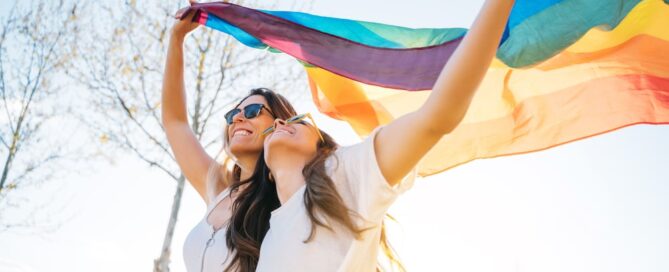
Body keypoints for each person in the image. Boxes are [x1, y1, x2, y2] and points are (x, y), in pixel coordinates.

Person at [256, 0, 516, 271]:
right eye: (271, 128)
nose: (281, 123)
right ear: (269, 172)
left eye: (299, 120)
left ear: (322, 148)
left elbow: (436, 116)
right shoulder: (269, 238)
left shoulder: (345, 171)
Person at [163, 4, 299, 271]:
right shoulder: (218, 187)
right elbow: (175, 123)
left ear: (280, 123)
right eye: (232, 114)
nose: (238, 118)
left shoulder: (291, 199)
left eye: (252, 111)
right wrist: (176, 38)